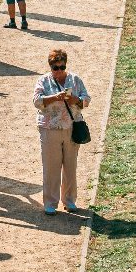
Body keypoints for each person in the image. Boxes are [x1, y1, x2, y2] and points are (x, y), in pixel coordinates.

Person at [34, 49, 91, 215]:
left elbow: (86, 99)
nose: (59, 70)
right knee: (51, 168)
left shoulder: (75, 79)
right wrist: (54, 97)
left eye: (62, 66)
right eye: (55, 67)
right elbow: (36, 101)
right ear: (50, 66)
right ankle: (50, 203)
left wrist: (76, 100)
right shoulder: (43, 81)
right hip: (49, 129)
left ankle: (69, 200)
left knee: (70, 167)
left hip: (71, 128)